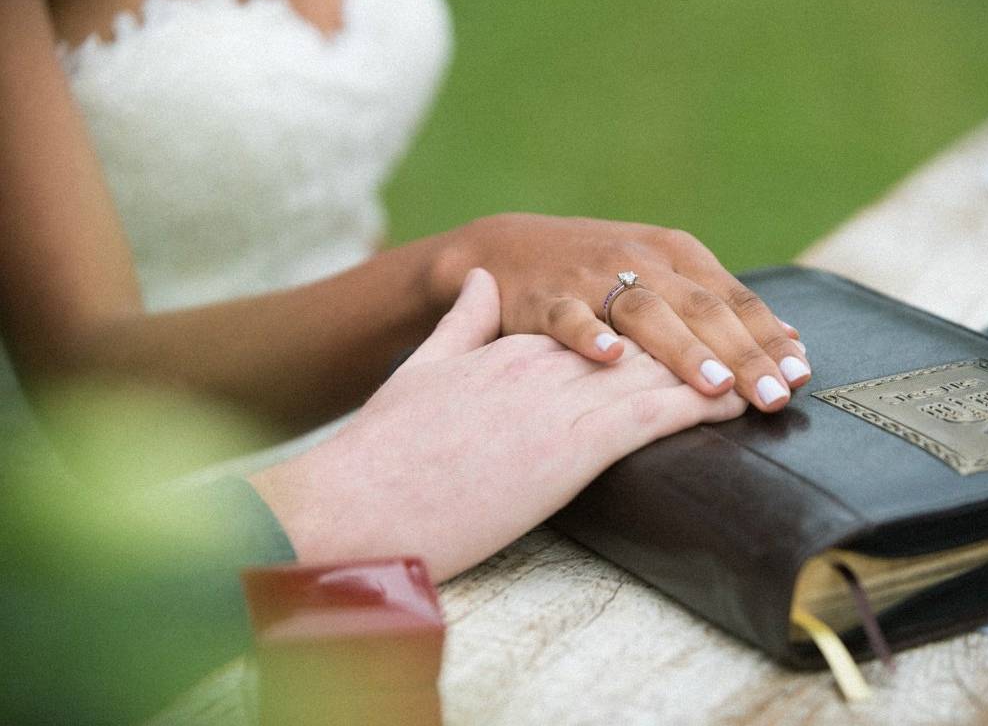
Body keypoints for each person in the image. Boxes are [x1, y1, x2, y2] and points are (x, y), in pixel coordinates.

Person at [0, 0, 812, 475]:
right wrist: (456, 269)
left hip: (375, 406)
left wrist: (489, 346)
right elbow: (86, 392)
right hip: (137, 524)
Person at [1, 267, 746, 725]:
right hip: (136, 515)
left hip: (406, 407)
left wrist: (436, 376)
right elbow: (75, 374)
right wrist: (311, 507)